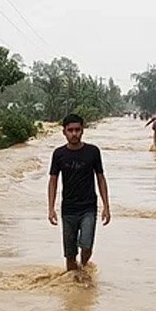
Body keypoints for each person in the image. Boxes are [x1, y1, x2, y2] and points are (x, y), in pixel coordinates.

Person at [48, 113, 111, 272]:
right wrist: (51, 208)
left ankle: (83, 268)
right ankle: (73, 284)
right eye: (70, 130)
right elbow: (53, 181)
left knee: (87, 246)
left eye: (77, 130)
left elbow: (101, 178)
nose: (74, 133)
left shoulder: (93, 152)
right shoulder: (58, 154)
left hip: (88, 207)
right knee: (69, 256)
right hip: (68, 209)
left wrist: (106, 206)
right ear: (64, 132)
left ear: (83, 130)